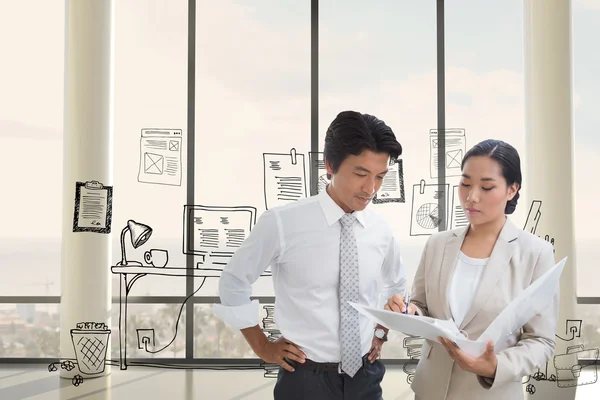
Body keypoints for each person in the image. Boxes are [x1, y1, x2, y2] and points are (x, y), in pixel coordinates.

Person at [213, 110, 406, 399]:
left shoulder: (380, 229)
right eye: (361, 174)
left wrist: (380, 332)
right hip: (305, 379)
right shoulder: (282, 222)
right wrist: (263, 347)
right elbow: (233, 281)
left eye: (380, 177)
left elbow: (396, 286)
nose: (371, 189)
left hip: (365, 377)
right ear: (330, 165)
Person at [386, 139, 559, 400]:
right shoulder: (438, 244)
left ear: (512, 190)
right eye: (465, 184)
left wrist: (496, 366)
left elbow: (541, 340)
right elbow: (421, 306)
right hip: (429, 392)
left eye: (486, 187)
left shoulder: (535, 254)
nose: (471, 196)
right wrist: (408, 312)